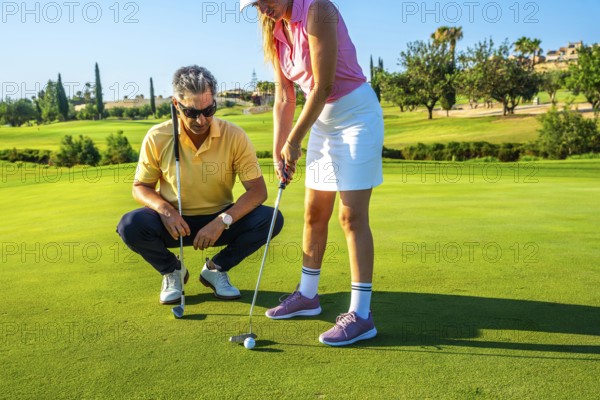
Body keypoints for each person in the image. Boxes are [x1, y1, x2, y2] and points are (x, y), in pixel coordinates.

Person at [240, 0, 384, 346]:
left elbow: (322, 85)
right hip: (320, 122)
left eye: (266, 0)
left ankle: (362, 315)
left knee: (351, 218)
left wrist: (295, 140)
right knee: (314, 213)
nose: (264, 8)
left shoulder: (318, 9)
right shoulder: (275, 30)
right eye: (257, 4)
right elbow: (285, 95)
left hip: (356, 118)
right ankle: (308, 296)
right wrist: (279, 149)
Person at [117, 65, 283, 306]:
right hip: (174, 222)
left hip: (220, 220)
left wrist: (221, 221)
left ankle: (215, 269)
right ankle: (172, 270)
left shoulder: (234, 135)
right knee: (130, 225)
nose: (202, 119)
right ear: (176, 105)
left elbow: (258, 191)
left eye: (209, 110)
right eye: (191, 112)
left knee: (271, 219)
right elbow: (140, 186)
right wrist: (166, 211)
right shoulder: (157, 136)